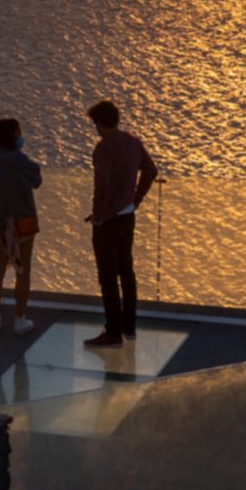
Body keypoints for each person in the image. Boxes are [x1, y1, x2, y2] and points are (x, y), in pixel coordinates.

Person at [82, 98, 156, 349]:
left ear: (100, 122)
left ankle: (112, 332)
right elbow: (151, 171)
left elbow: (101, 186)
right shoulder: (133, 142)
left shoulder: (104, 148)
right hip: (127, 215)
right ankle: (129, 327)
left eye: (94, 123)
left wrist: (99, 215)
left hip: (109, 220)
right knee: (126, 269)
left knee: (107, 274)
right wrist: (135, 200)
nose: (94, 128)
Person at [0, 117, 42, 336]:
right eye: (18, 133)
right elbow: (36, 178)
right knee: (23, 272)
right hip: (22, 222)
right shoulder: (17, 159)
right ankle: (19, 320)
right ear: (13, 135)